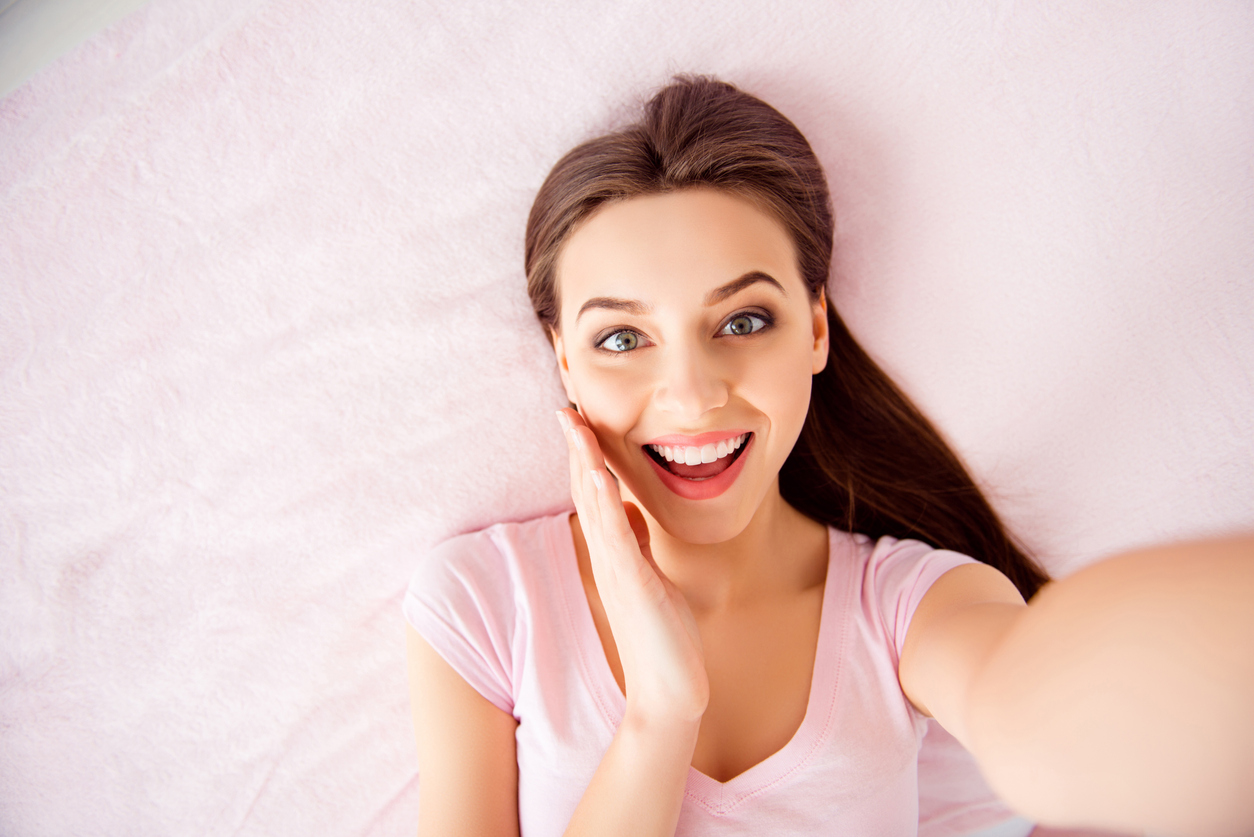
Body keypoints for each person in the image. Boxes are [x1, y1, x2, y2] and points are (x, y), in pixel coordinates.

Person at [404, 76, 1254, 837]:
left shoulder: (905, 607)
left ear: (814, 327)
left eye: (742, 321)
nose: (693, 394)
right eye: (623, 337)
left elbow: (1044, 713)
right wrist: (660, 715)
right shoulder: (488, 601)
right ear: (562, 358)